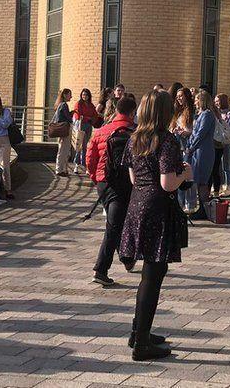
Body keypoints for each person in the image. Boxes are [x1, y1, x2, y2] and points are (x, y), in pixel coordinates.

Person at [119, 90, 192, 361]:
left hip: (137, 205)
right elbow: (167, 183)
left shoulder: (135, 137)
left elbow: (132, 177)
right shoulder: (167, 140)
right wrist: (185, 173)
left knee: (147, 276)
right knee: (153, 275)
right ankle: (142, 344)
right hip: (157, 209)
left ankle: (139, 332)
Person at [86, 96, 138, 286]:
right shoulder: (135, 133)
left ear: (116, 110)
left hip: (103, 182)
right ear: (133, 112)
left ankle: (126, 258)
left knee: (116, 221)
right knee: (115, 224)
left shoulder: (100, 131)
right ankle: (101, 269)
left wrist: (96, 178)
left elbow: (89, 157)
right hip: (123, 182)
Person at [187, 89, 218, 216]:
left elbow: (201, 134)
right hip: (199, 150)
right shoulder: (202, 114)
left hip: (203, 151)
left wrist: (191, 147)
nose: (195, 102)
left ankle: (204, 209)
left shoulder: (207, 115)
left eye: (196, 99)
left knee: (202, 181)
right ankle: (202, 208)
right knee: (199, 180)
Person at [170, 87, 195, 209]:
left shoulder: (191, 111)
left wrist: (184, 132)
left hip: (187, 146)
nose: (179, 98)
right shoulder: (177, 111)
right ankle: (180, 203)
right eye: (178, 96)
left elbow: (193, 130)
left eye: (181, 96)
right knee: (177, 175)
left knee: (187, 174)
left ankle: (189, 204)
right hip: (177, 146)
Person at [72, 89, 99, 175]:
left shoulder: (91, 105)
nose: (84, 96)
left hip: (88, 126)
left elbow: (95, 115)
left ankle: (82, 164)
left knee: (85, 145)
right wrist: (88, 118)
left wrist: (89, 119)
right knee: (81, 146)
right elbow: (78, 116)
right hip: (81, 126)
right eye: (83, 95)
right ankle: (78, 164)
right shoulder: (79, 104)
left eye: (86, 95)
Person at [53, 89, 74, 177]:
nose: (71, 97)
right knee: (63, 150)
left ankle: (61, 169)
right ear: (65, 95)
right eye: (70, 94)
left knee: (62, 149)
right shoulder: (64, 105)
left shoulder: (59, 104)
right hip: (64, 129)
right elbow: (68, 118)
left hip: (61, 130)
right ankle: (60, 169)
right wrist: (72, 114)